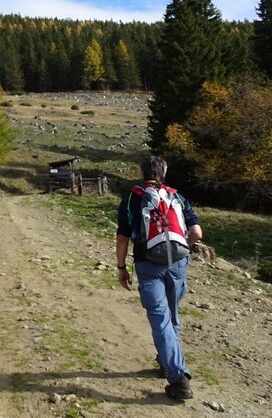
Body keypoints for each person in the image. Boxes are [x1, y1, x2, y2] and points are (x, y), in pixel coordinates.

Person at [116, 155, 203, 401]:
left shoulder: (133, 196)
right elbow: (196, 232)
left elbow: (123, 237)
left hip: (147, 263)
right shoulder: (176, 196)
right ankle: (167, 363)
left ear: (142, 172)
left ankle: (179, 378)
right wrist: (180, 247)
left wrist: (121, 267)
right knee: (172, 315)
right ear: (164, 172)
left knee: (160, 319)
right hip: (178, 264)